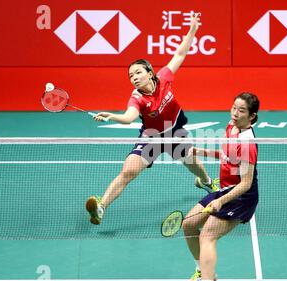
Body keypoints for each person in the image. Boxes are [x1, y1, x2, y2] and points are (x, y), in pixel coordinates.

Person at [85, 13, 218, 225]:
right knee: (128, 171)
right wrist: (112, 116)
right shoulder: (137, 98)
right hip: (152, 138)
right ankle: (101, 206)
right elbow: (129, 118)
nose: (134, 77)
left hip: (175, 132)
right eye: (131, 76)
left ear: (149, 72)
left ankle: (206, 182)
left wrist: (193, 29)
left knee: (192, 163)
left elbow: (180, 53)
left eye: (138, 72)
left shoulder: (164, 78)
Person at [181, 92, 260, 281]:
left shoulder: (247, 143)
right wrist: (201, 151)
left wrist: (220, 201)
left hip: (241, 197)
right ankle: (204, 272)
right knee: (188, 225)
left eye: (241, 110)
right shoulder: (231, 126)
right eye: (234, 107)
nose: (235, 113)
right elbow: (227, 155)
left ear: (252, 116)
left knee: (207, 236)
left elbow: (246, 183)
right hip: (225, 190)